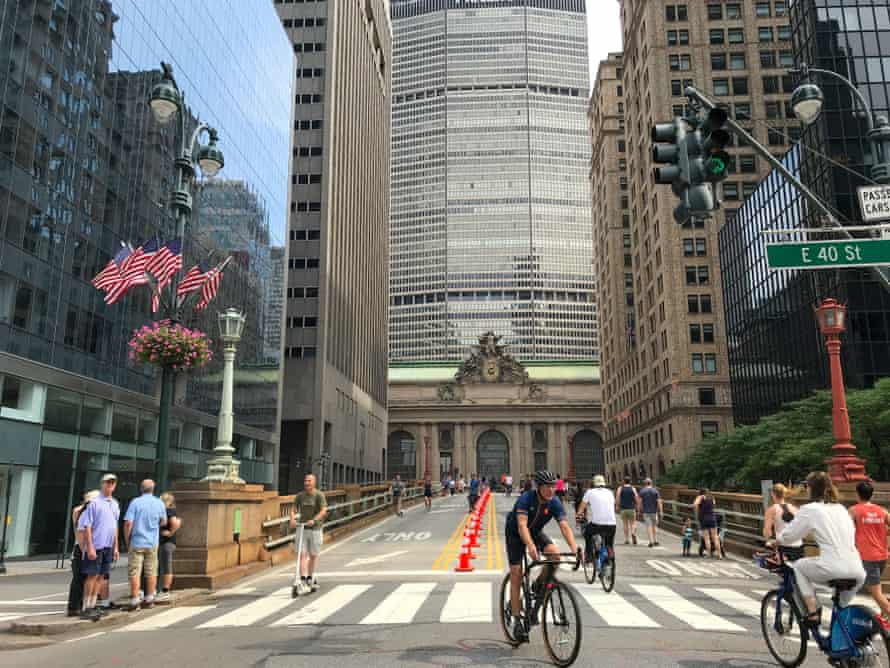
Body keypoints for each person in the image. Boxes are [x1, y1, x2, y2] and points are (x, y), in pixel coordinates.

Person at [777, 472, 865, 627]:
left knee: (799, 567)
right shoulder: (841, 509)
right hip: (857, 570)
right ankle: (841, 634)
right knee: (840, 609)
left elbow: (789, 536)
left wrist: (776, 540)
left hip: (832, 567)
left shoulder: (810, 509)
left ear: (811, 488)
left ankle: (813, 612)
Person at [505, 470, 580, 641]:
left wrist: (575, 548)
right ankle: (517, 621)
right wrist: (530, 546)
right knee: (516, 573)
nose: (551, 490)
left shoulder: (554, 502)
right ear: (538, 487)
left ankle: (539, 585)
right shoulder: (526, 499)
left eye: (553, 486)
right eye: (547, 487)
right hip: (515, 534)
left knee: (555, 556)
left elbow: (564, 526)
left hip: (535, 532)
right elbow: (522, 526)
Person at [77, 473, 120, 620]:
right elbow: (87, 526)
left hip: (108, 545)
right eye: (107, 482)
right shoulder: (94, 503)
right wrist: (89, 547)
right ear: (102, 484)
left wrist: (115, 547)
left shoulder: (115, 504)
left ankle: (93, 604)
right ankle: (86, 606)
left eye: (112, 483)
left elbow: (114, 526)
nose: (110, 485)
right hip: (97, 544)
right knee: (92, 575)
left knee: (101, 576)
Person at [849, 481, 890, 626]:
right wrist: (883, 533)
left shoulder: (854, 510)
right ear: (871, 494)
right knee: (876, 588)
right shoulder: (882, 511)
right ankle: (884, 613)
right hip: (882, 555)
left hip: (867, 556)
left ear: (857, 494)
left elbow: (847, 531)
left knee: (875, 593)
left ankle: (887, 611)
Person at [124, 479, 168, 611]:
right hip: (152, 542)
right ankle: (149, 598)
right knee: (152, 571)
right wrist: (154, 526)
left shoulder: (135, 502)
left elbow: (128, 523)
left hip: (137, 541)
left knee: (135, 571)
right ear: (153, 489)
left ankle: (135, 600)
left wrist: (127, 539)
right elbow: (164, 521)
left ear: (141, 489)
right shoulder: (159, 503)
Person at [289, 474, 329, 595]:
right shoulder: (300, 496)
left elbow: (323, 510)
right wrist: (292, 519)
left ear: (314, 482)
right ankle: (302, 579)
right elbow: (293, 509)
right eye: (305, 481)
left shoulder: (319, 495)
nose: (307, 483)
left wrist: (314, 520)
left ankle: (310, 577)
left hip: (315, 528)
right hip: (302, 528)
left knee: (313, 555)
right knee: (302, 555)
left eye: (309, 481)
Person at [68, 490, 99, 617]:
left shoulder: (81, 511)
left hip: (85, 546)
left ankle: (79, 605)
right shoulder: (80, 511)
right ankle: (75, 606)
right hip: (82, 547)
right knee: (81, 577)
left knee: (83, 577)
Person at [576, 475, 617, 568]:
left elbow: (581, 507)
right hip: (612, 524)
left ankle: (589, 557)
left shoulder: (590, 492)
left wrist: (578, 516)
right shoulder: (610, 492)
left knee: (587, 533)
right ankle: (611, 561)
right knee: (609, 544)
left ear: (594, 483)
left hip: (597, 524)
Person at [763, 483, 801, 560]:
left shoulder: (772, 509)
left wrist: (769, 541)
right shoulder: (794, 508)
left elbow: (767, 531)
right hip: (799, 547)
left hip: (783, 548)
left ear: (773, 494)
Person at [155, 492, 181, 601]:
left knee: (166, 565)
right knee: (163, 565)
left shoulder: (168, 511)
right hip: (167, 542)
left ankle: (165, 590)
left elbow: (176, 522)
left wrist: (170, 533)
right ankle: (161, 589)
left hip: (166, 542)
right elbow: (178, 521)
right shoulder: (170, 510)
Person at [693, 488, 722, 559]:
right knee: (715, 537)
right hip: (712, 517)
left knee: (706, 537)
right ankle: (719, 554)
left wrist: (698, 512)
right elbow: (713, 506)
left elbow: (695, 504)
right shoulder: (712, 498)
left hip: (703, 518)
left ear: (701, 492)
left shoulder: (700, 497)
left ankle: (708, 554)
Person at [639, 478, 663, 548]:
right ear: (651, 483)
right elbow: (659, 502)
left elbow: (639, 502)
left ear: (645, 483)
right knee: (654, 526)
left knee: (648, 527)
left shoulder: (642, 491)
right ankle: (655, 540)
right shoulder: (655, 491)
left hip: (646, 512)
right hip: (654, 512)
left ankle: (650, 542)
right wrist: (661, 511)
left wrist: (639, 510)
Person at [616, 477, 639, 545]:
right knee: (633, 523)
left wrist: (617, 506)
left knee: (625, 524)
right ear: (630, 481)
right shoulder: (633, 488)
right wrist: (637, 506)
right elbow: (636, 498)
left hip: (623, 509)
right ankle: (633, 533)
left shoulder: (620, 488)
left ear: (623, 481)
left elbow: (618, 497)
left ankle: (627, 539)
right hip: (632, 508)